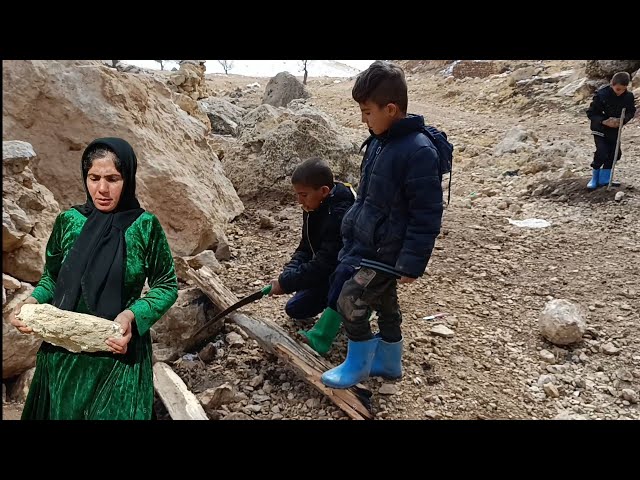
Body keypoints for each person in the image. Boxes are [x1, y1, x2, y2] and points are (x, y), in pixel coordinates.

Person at [9, 137, 178, 420]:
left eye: (113, 178)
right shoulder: (69, 222)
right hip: (65, 355)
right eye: (94, 177)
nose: (102, 189)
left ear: (128, 178)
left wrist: (131, 315)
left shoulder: (144, 226)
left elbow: (166, 285)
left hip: (119, 353)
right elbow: (52, 278)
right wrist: (31, 301)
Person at [320, 61, 451, 389]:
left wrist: (411, 262)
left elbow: (427, 214)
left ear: (391, 109)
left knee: (350, 300)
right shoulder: (381, 139)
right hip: (371, 242)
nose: (363, 119)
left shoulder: (418, 152)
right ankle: (389, 363)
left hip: (387, 251)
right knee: (386, 302)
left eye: (367, 112)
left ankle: (357, 365)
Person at [269, 157, 356, 354]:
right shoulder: (313, 206)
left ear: (324, 191)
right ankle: (337, 307)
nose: (299, 201)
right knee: (296, 309)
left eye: (303, 195)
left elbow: (325, 263)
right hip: (328, 272)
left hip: (346, 274)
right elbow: (306, 247)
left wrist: (287, 283)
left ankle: (354, 309)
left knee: (341, 279)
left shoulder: (341, 214)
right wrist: (288, 274)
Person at [586, 71, 636, 189]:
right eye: (618, 89)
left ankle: (604, 179)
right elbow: (591, 113)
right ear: (611, 84)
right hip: (600, 128)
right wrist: (604, 121)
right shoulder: (601, 95)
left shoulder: (628, 96)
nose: (620, 92)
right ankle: (594, 178)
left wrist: (622, 120)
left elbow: (631, 111)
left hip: (615, 130)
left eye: (623, 89)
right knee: (602, 151)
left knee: (615, 153)